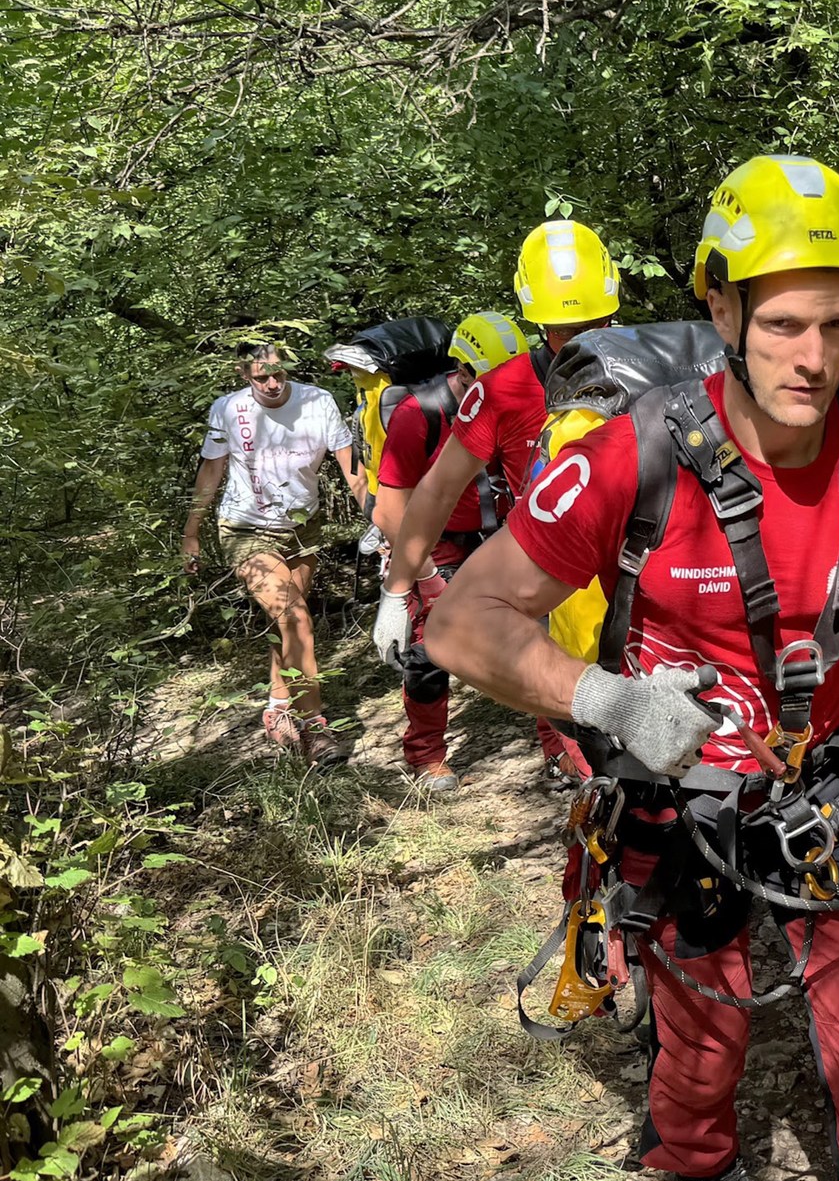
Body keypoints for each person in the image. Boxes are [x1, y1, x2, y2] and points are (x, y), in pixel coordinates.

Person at [427, 155, 839, 1181]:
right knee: (703, 1028)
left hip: (828, 786)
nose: (811, 357)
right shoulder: (634, 455)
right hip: (686, 796)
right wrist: (612, 705)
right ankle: (698, 1161)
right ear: (719, 309)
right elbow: (463, 622)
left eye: (833, 322)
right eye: (778, 324)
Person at [374, 223, 620, 788]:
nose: (577, 336)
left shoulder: (654, 368)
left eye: (586, 324)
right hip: (551, 567)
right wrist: (400, 585)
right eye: (565, 328)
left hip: (639, 563)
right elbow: (433, 491)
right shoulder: (500, 391)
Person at [181, 342, 366, 763]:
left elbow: (349, 465)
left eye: (278, 373)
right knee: (295, 616)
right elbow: (211, 470)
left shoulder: (317, 402)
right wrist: (191, 533)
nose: (271, 382)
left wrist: (380, 520)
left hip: (304, 527)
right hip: (246, 528)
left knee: (287, 622)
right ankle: (315, 728)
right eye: (261, 375)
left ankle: (278, 708)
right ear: (243, 374)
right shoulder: (228, 409)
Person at [370, 312, 531, 793]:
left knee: (541, 631)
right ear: (461, 372)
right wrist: (419, 575)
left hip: (502, 534)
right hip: (437, 542)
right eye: (487, 381)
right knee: (429, 646)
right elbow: (391, 508)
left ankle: (559, 751)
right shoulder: (418, 413)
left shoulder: (518, 399)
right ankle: (425, 754)